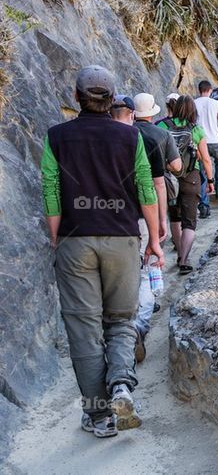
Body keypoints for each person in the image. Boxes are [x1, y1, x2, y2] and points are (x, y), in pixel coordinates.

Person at [41, 66, 163, 437]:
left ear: (76, 97)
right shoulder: (130, 136)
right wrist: (154, 240)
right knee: (121, 321)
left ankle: (98, 416)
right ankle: (122, 386)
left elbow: (51, 189)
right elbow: (146, 188)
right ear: (112, 100)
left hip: (75, 241)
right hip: (122, 240)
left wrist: (56, 237)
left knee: (84, 330)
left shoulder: (56, 136)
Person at [130, 92, 183, 363]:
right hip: (147, 213)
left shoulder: (124, 135)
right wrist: (161, 221)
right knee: (149, 269)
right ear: (152, 112)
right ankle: (139, 326)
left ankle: (121, 329)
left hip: (121, 214)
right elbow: (167, 176)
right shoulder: (160, 135)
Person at [159, 95, 215, 274]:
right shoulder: (196, 129)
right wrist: (211, 181)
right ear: (193, 111)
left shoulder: (162, 126)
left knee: (175, 217)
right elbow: (206, 159)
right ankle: (184, 260)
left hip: (169, 178)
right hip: (191, 177)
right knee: (189, 222)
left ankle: (178, 253)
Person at [194, 80, 218, 210]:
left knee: (201, 171)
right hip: (215, 139)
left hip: (200, 141)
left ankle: (203, 204)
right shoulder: (217, 104)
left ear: (199, 90)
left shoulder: (194, 103)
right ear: (210, 90)